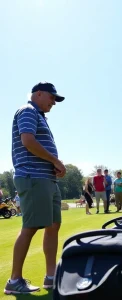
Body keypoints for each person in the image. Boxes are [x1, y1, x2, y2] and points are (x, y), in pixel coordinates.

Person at [4, 82, 66, 294]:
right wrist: (55, 160)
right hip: (32, 176)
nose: (53, 102)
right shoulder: (28, 110)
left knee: (53, 225)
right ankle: (14, 281)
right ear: (38, 94)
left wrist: (53, 166)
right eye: (51, 97)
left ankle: (51, 277)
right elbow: (28, 141)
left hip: (46, 179)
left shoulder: (39, 116)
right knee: (30, 227)